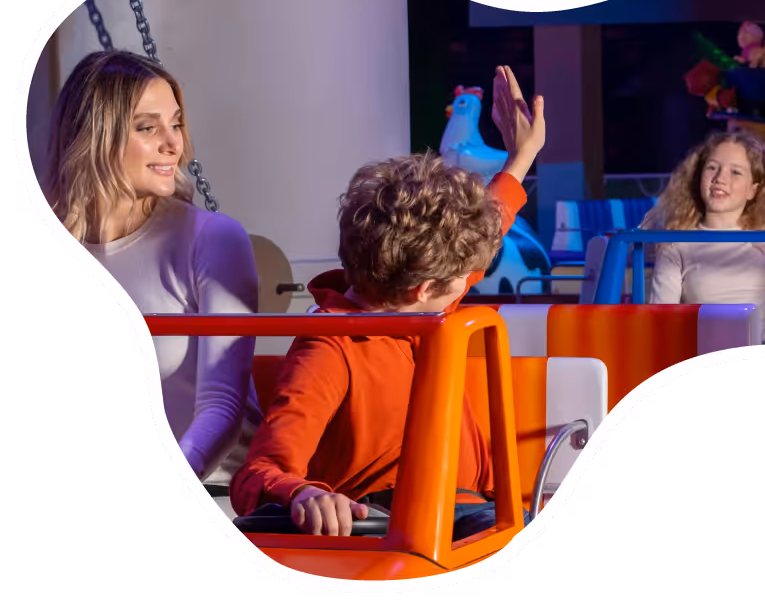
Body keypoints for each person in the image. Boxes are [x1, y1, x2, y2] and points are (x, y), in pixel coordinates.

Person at [230, 66, 545, 540]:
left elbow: (486, 229)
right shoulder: (328, 350)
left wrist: (521, 157)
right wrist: (304, 494)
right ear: (425, 289)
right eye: (464, 279)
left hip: (473, 508)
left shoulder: (412, 295)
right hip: (402, 524)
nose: (470, 283)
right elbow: (260, 472)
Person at [42, 50, 262, 495]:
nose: (173, 144)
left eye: (175, 124)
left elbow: (221, 408)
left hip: (217, 492)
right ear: (95, 137)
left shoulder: (213, 239)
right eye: (147, 127)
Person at [641, 129, 765, 344]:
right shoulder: (677, 244)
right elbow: (662, 321)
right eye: (712, 168)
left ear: (753, 190)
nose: (720, 179)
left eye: (735, 172)